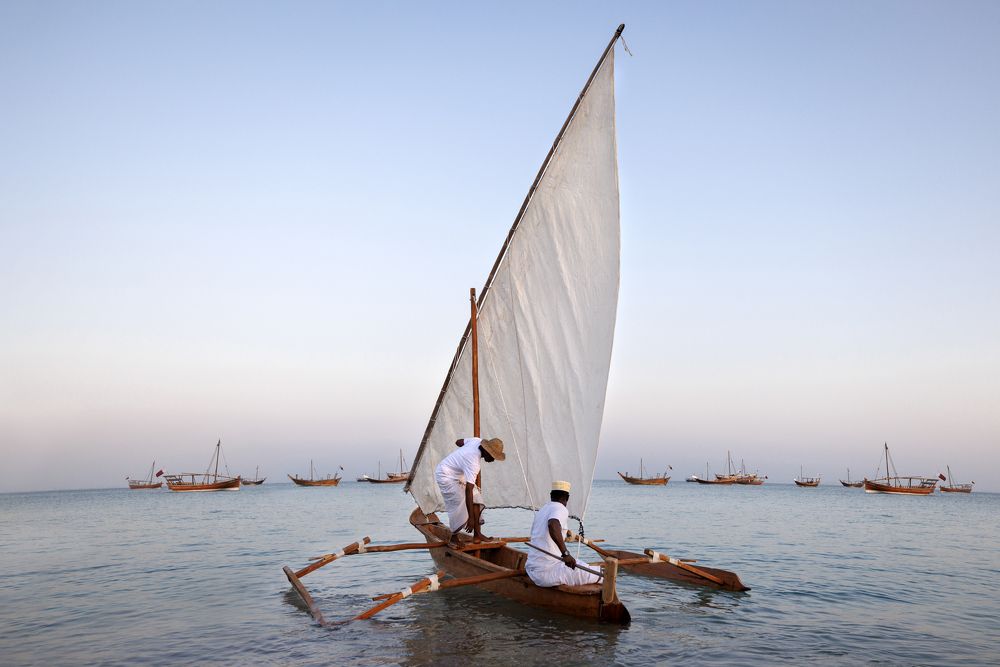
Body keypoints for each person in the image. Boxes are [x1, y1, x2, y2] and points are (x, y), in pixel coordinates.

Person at [526, 481, 601, 587]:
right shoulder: (561, 508)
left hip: (532, 569)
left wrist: (565, 534)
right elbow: (553, 524)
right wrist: (565, 554)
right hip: (548, 572)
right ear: (567, 498)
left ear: (551, 495)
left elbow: (552, 529)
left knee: (581, 565)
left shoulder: (542, 510)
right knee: (601, 575)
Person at [434, 436, 505, 545]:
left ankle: (477, 535)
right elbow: (468, 490)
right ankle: (454, 537)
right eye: (493, 456)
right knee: (457, 503)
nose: (493, 459)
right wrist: (470, 518)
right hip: (445, 474)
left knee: (477, 498)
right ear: (486, 451)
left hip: (458, 473)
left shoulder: (476, 440)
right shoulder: (473, 463)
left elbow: (458, 441)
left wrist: (463, 452)